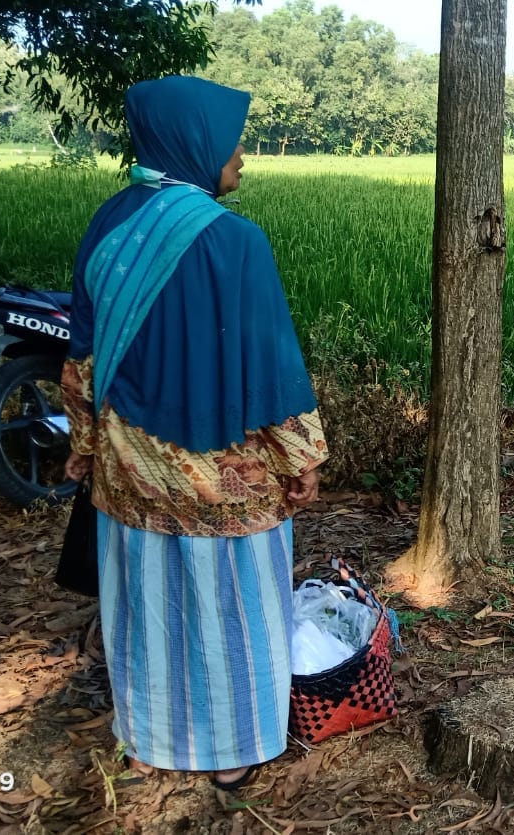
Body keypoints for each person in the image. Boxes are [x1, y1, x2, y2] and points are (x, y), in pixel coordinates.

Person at [60, 75, 328, 790]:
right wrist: (301, 456)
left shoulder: (108, 225)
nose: (241, 154)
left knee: (144, 605)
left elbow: (82, 355)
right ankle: (232, 749)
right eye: (231, 139)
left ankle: (148, 742)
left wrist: (84, 444)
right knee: (231, 607)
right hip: (223, 478)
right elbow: (271, 365)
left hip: (129, 469)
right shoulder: (235, 240)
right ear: (196, 141)